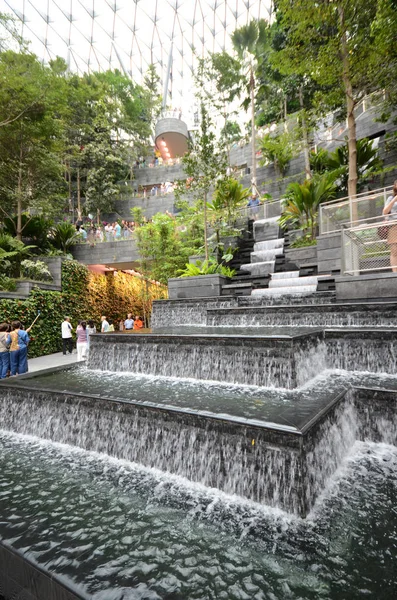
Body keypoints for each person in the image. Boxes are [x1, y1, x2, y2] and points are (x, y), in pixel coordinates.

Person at [382, 181, 397, 272]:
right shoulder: (391, 198)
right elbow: (385, 212)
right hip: (394, 226)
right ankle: (395, 273)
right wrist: (395, 199)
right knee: (394, 250)